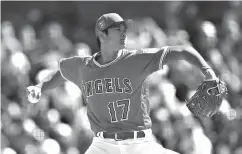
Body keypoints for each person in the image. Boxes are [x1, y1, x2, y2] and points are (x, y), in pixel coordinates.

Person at [26, 13, 218, 154]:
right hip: (103, 146)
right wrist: (40, 87)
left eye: (124, 29)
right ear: (102, 35)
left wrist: (209, 73)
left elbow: (183, 51)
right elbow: (60, 73)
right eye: (118, 30)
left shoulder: (136, 60)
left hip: (139, 144)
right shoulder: (83, 66)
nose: (124, 33)